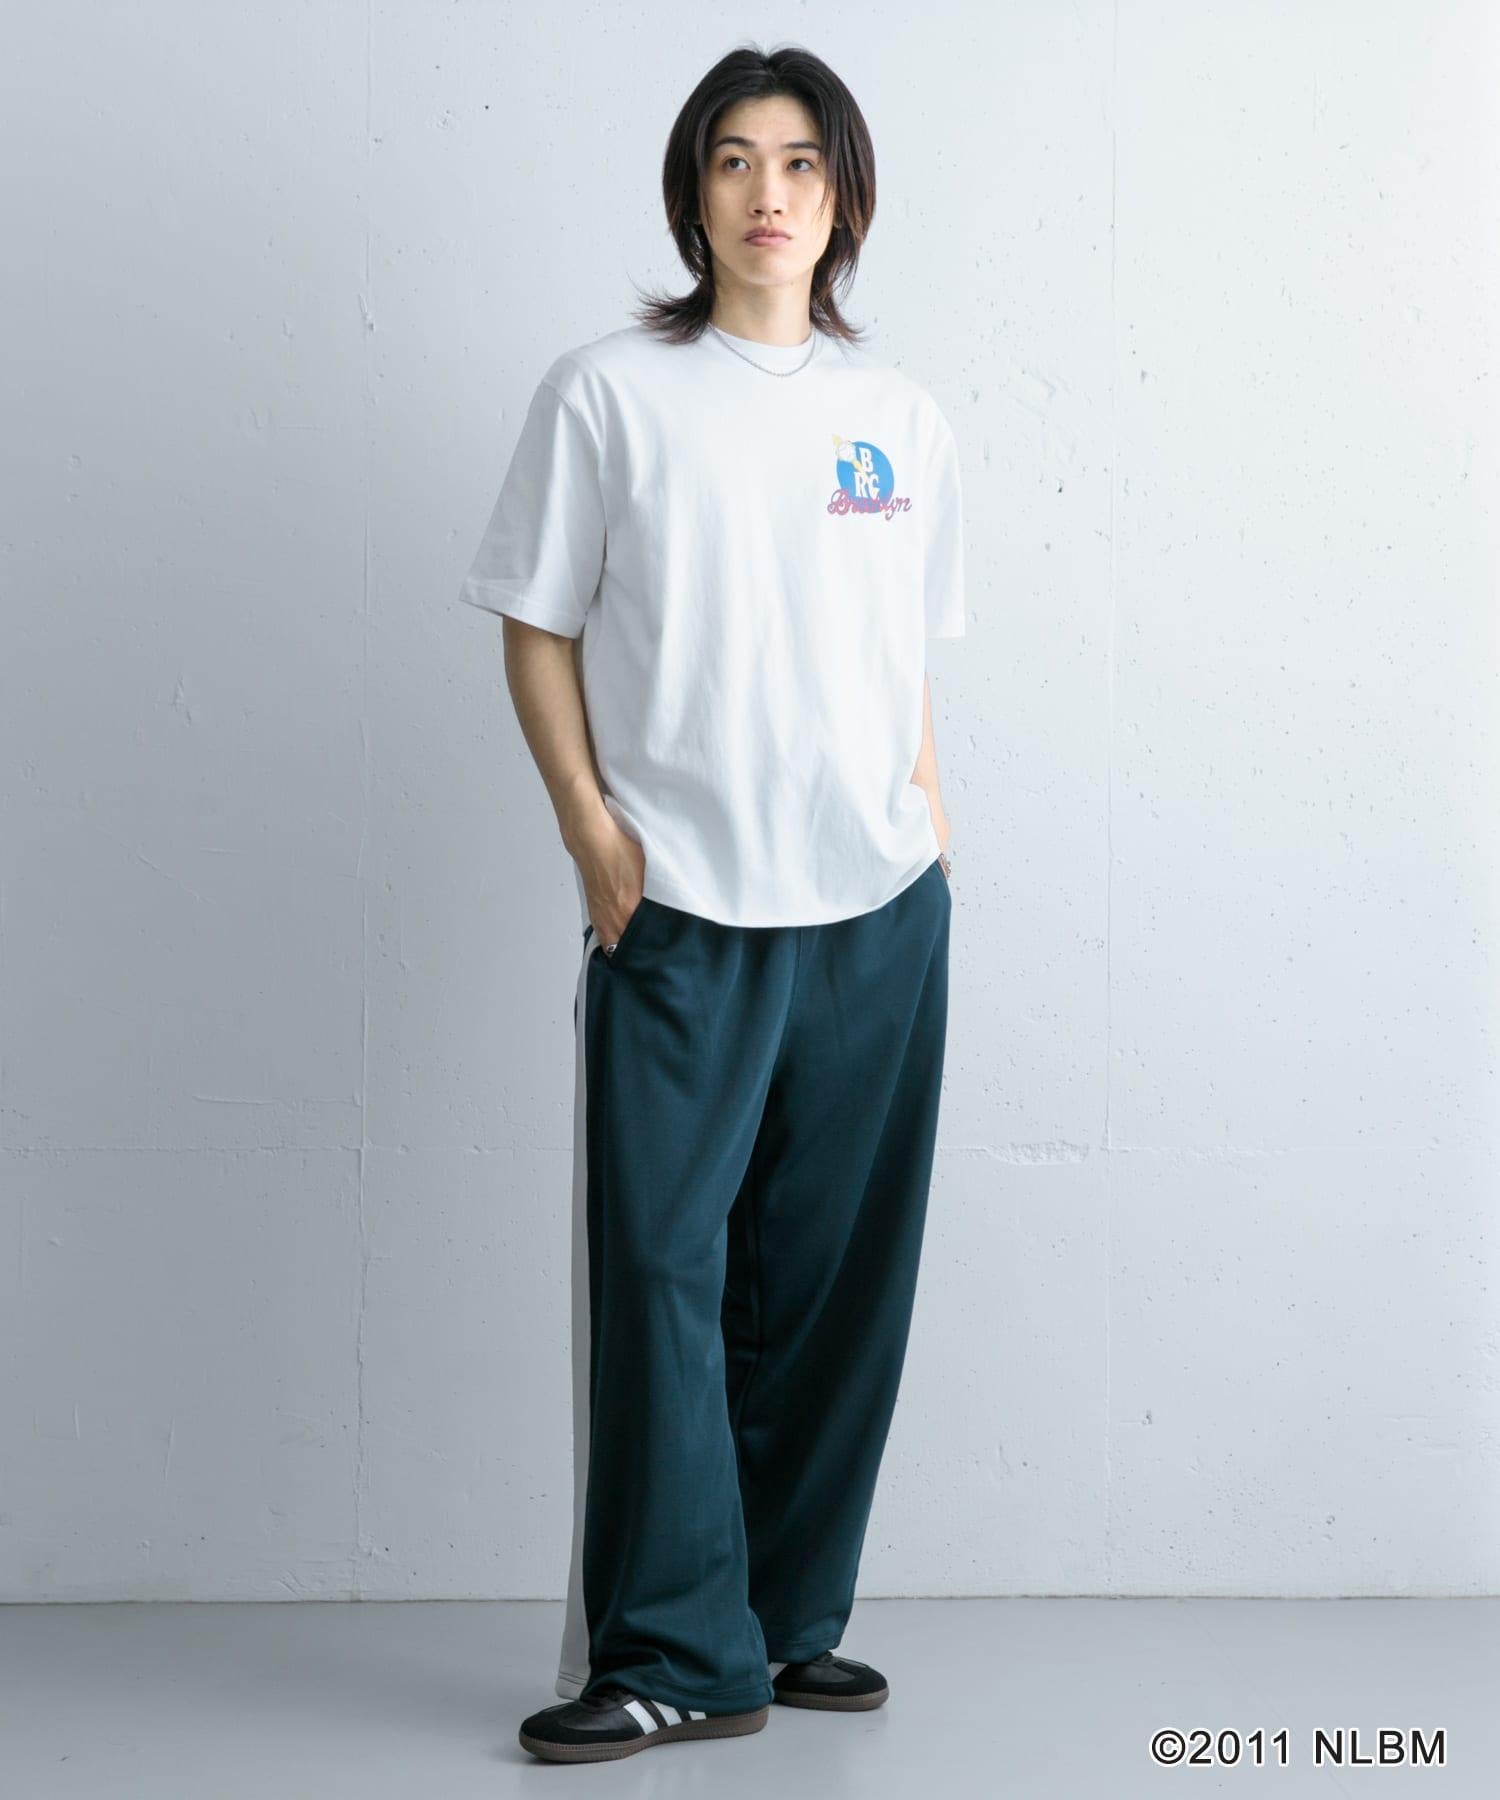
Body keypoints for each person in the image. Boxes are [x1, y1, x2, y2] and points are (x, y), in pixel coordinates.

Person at [456, 42, 965, 1766]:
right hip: (679, 905)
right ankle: (675, 1647)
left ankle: (782, 1620)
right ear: (693, 192)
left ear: (845, 196)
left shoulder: (900, 419)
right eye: (735, 160)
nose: (769, 193)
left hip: (877, 908)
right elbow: (535, 621)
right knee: (665, 1269)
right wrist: (590, 830)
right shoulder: (610, 393)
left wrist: (932, 836)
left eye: (802, 162)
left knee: (834, 1280)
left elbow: (900, 660)